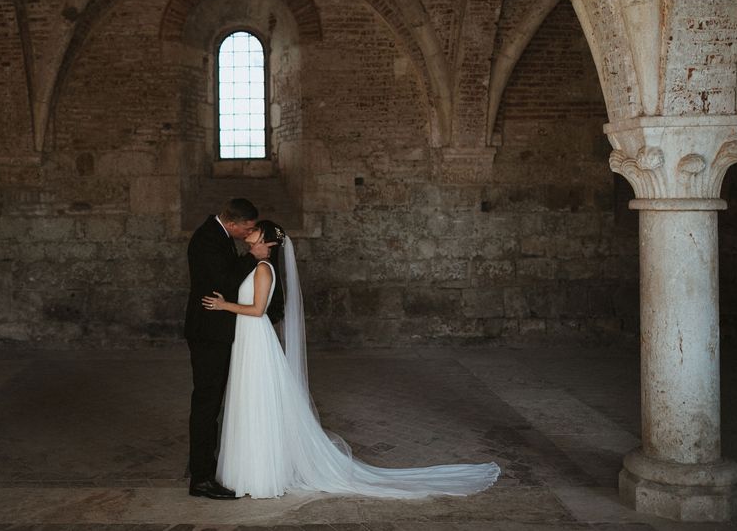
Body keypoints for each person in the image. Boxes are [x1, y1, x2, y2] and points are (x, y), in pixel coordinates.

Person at [202, 220, 500, 499]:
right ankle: (246, 472)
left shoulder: (264, 269)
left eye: (255, 231)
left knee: (257, 402)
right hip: (247, 338)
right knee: (247, 400)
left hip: (256, 337)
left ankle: (259, 475)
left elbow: (256, 310)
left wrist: (223, 305)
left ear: (266, 241)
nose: (249, 233)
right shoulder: (254, 266)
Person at [184, 198, 277, 500]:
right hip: (208, 334)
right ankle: (200, 478)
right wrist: (253, 257)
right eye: (247, 228)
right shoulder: (207, 239)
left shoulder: (219, 235)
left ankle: (203, 466)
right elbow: (222, 281)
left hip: (218, 331)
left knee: (212, 402)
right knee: (207, 403)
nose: (248, 232)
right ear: (233, 222)